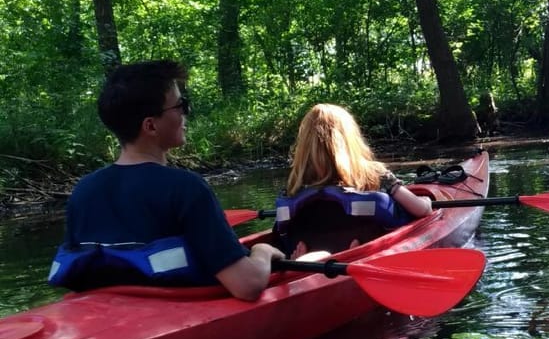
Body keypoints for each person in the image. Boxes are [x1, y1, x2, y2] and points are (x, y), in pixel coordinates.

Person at [49, 59, 284, 300]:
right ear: (150, 126)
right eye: (181, 105)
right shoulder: (186, 188)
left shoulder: (83, 191)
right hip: (176, 322)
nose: (185, 113)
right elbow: (248, 285)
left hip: (106, 322)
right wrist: (262, 251)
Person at [280, 103, 433, 259]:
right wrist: (427, 201)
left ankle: (307, 261)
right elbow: (422, 210)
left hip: (306, 253)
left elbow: (282, 230)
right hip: (360, 250)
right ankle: (350, 253)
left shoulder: (295, 184)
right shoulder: (373, 174)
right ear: (350, 139)